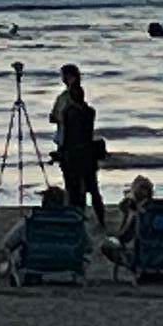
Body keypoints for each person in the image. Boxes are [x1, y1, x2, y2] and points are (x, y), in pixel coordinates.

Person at [49, 63, 107, 230]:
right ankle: (99, 219)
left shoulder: (69, 111)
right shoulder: (90, 112)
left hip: (73, 153)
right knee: (92, 188)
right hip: (87, 153)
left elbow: (66, 132)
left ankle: (77, 219)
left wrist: (60, 153)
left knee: (75, 189)